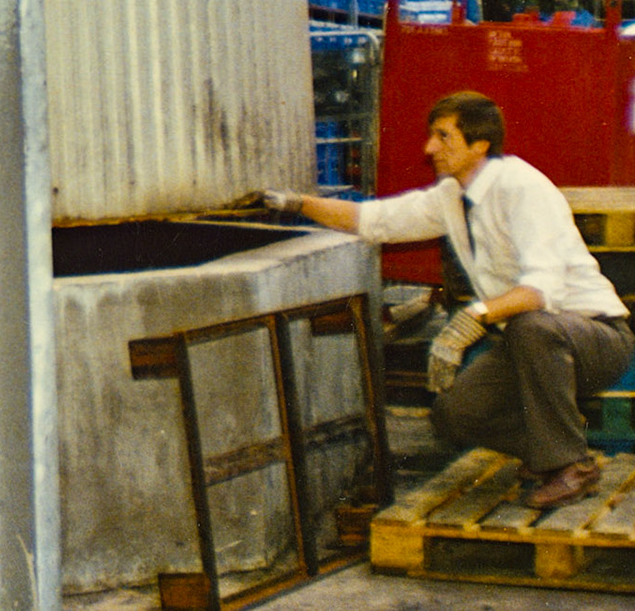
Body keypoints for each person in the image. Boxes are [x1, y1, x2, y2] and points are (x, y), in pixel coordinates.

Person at [263, 90, 633, 510]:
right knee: (454, 416)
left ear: (480, 145)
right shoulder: (451, 196)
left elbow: (540, 291)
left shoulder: (522, 188)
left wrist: (472, 317)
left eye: (443, 136)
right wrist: (297, 203)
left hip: (595, 338)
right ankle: (549, 458)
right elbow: (374, 221)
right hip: (529, 344)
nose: (429, 148)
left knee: (533, 326)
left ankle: (570, 466)